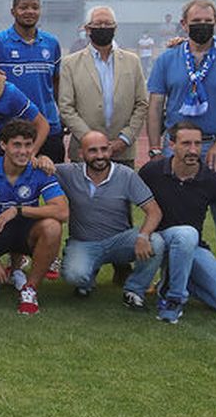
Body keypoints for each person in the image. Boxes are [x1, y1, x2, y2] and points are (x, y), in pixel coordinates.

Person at [145, 0, 216, 284]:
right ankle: (169, 277)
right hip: (176, 147)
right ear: (184, 24)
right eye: (196, 23)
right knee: (172, 214)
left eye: (208, 22)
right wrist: (156, 148)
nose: (202, 27)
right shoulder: (168, 58)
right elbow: (155, 105)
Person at [139, 122, 216, 323]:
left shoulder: (213, 180)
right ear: (171, 145)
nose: (193, 150)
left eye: (197, 144)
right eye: (186, 144)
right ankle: (173, 299)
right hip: (158, 243)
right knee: (186, 233)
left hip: (192, 247)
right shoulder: (151, 172)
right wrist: (141, 236)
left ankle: (181, 281)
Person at [45, 131, 166, 308]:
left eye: (104, 149)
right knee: (74, 275)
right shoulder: (69, 172)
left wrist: (143, 236)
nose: (100, 155)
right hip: (84, 242)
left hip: (119, 241)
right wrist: (42, 159)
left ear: (110, 150)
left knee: (156, 242)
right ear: (81, 154)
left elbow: (154, 211)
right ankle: (87, 278)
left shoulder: (126, 175)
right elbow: (42, 169)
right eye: (93, 151)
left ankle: (134, 290)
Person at [0, 120, 68, 315]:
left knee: (52, 227)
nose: (23, 151)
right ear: (3, 145)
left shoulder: (40, 170)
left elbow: (62, 212)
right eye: (17, 145)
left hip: (25, 232)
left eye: (28, 145)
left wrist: (19, 210)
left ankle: (30, 289)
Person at [0, 0, 63, 161]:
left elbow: (55, 82)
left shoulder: (51, 43)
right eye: (24, 7)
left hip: (49, 127)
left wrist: (60, 114)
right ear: (13, 11)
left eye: (35, 7)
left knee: (50, 179)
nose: (30, 12)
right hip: (13, 131)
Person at [56, 6, 148, 163]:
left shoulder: (132, 61)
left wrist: (125, 138)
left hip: (123, 151)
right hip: (83, 151)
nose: (103, 28)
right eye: (98, 24)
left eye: (107, 24)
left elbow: (141, 103)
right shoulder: (70, 63)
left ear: (115, 28)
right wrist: (90, 140)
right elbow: (66, 107)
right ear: (87, 28)